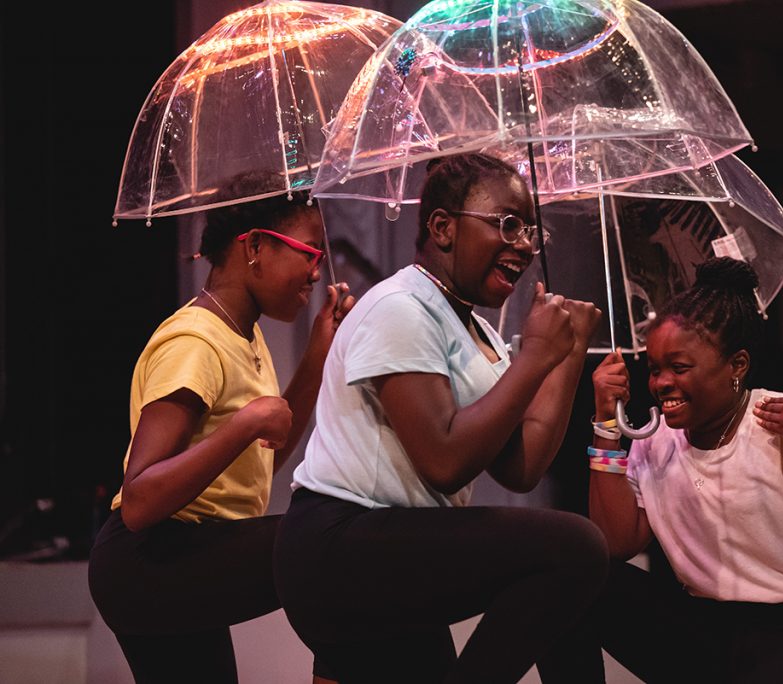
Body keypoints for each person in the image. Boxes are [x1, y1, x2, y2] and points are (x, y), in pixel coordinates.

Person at [272, 152, 610, 684]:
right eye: (507, 223)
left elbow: (521, 469)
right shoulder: (400, 308)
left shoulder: (479, 334)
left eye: (530, 231)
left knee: (570, 562)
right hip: (343, 547)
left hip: (402, 546)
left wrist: (565, 359)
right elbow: (445, 461)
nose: (523, 243)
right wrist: (535, 359)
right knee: (575, 548)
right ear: (442, 228)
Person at [537, 256, 783, 684]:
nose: (661, 382)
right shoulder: (656, 436)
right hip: (706, 627)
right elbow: (617, 543)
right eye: (655, 368)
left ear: (737, 366)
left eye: (679, 368)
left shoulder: (782, 423)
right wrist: (606, 424)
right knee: (571, 577)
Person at [88, 172, 354, 684]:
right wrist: (245, 423)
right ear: (255, 246)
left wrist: (319, 352)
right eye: (310, 253)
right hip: (152, 559)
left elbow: (265, 457)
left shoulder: (241, 336)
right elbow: (140, 501)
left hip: (189, 551)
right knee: (328, 544)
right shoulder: (196, 342)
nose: (317, 272)